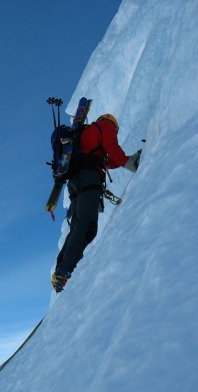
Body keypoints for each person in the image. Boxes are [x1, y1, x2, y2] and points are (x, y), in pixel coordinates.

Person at [51, 113, 141, 292]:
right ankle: (65, 270)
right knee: (87, 226)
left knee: (77, 226)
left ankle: (60, 270)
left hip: (75, 182)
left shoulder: (86, 137)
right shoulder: (106, 125)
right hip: (89, 178)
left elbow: (107, 160)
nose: (115, 130)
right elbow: (111, 147)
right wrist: (129, 163)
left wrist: (125, 159)